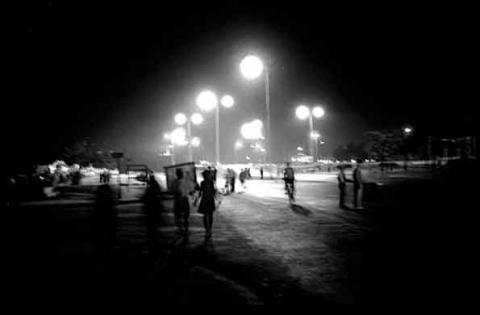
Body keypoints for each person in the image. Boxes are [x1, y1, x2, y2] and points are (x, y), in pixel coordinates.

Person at [172, 168, 195, 235]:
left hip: (178, 200)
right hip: (183, 200)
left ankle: (181, 229)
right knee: (185, 216)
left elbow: (171, 191)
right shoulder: (185, 182)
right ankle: (185, 229)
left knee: (179, 216)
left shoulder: (175, 182)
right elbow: (190, 192)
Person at [196, 170, 217, 238]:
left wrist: (196, 200)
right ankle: (208, 230)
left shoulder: (204, 183)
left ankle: (208, 230)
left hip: (205, 200)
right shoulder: (209, 182)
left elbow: (200, 192)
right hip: (209, 200)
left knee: (206, 216)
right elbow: (213, 192)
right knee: (209, 216)